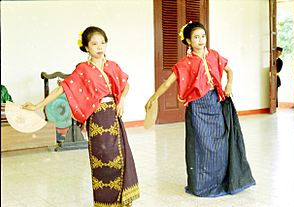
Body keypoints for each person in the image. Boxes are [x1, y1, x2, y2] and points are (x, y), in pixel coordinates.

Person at [22, 26, 139, 207]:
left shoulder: (113, 66)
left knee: (120, 159)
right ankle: (105, 202)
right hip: (97, 121)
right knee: (103, 160)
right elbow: (63, 88)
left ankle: (122, 202)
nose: (99, 47)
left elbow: (126, 85)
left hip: (114, 117)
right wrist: (38, 105)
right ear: (86, 47)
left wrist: (121, 100)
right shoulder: (83, 69)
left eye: (102, 43)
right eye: (94, 43)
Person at [145, 21, 255, 197]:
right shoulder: (184, 63)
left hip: (215, 103)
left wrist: (229, 85)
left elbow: (229, 71)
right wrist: (153, 97)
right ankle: (202, 185)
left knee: (220, 144)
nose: (201, 40)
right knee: (201, 146)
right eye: (196, 37)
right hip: (197, 107)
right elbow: (167, 83)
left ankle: (222, 181)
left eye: (203, 36)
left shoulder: (214, 56)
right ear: (188, 41)